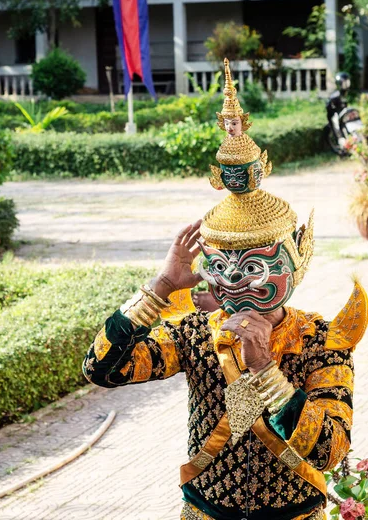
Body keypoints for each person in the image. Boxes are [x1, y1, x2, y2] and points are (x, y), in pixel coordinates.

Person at [83, 60, 367, 520]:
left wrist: (265, 368)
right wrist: (160, 289)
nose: (237, 281)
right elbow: (102, 369)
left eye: (256, 264)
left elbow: (330, 450)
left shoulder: (320, 339)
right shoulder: (196, 332)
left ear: (298, 257)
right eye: (223, 265)